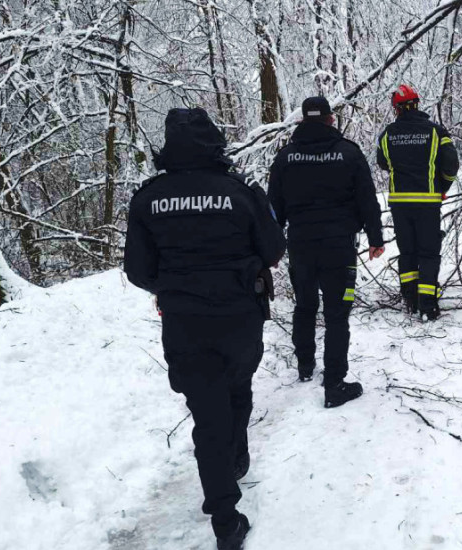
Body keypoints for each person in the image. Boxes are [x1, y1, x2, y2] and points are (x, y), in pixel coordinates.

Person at [124, 108, 285, 550]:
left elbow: (137, 270)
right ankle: (235, 459)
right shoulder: (240, 191)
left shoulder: (148, 198)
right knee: (237, 388)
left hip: (184, 321)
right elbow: (273, 248)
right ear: (215, 142)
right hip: (240, 315)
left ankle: (225, 516)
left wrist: (174, 284)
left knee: (207, 413)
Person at [267, 96, 385, 407]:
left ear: (302, 121)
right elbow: (367, 199)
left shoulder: (286, 157)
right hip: (339, 247)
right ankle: (334, 383)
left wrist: (272, 247)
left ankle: (305, 365)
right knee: (337, 315)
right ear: (331, 120)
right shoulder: (348, 153)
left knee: (305, 306)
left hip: (301, 246)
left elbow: (273, 207)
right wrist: (375, 237)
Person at [376, 85, 460, 320]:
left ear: (397, 109)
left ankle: (410, 299)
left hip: (400, 203)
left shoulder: (387, 134)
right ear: (417, 104)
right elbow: (451, 164)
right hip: (428, 202)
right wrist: (442, 187)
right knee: (429, 253)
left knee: (408, 252)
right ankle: (428, 304)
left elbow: (383, 162)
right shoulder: (436, 132)